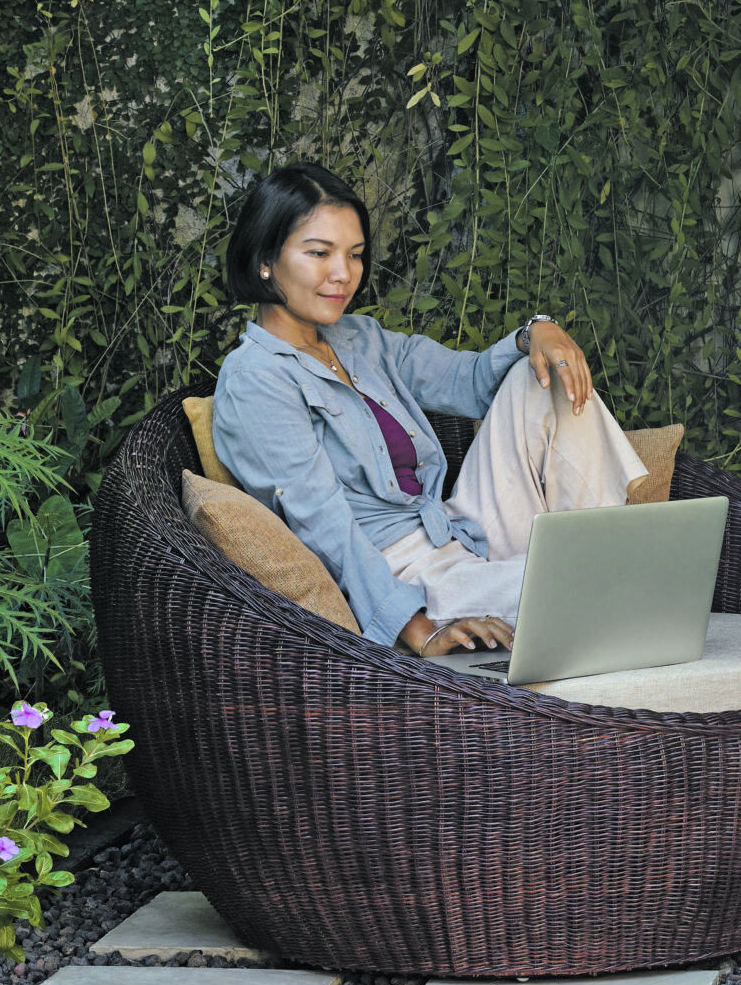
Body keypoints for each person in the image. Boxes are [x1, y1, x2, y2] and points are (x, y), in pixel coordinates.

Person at [209, 162, 645, 657]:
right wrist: (412, 626)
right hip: (407, 574)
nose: (343, 274)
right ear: (265, 260)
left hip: (456, 529)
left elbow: (472, 384)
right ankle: (599, 574)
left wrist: (534, 331)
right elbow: (322, 524)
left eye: (354, 255)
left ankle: (599, 551)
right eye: (319, 253)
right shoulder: (256, 382)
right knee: (597, 593)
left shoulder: (360, 338)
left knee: (540, 377)